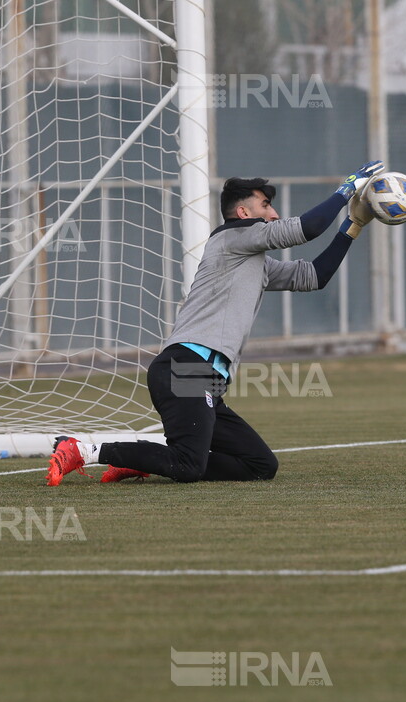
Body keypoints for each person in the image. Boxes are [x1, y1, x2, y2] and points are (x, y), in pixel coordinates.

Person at [46, 161, 384, 485]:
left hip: (202, 378)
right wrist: (347, 188)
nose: (274, 213)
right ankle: (87, 450)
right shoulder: (233, 237)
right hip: (186, 367)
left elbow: (315, 276)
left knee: (259, 465)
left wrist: (352, 225)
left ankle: (141, 460)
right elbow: (308, 228)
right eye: (266, 205)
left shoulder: (254, 261)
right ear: (244, 213)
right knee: (188, 465)